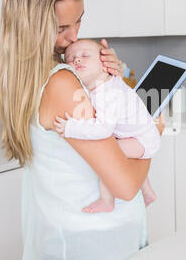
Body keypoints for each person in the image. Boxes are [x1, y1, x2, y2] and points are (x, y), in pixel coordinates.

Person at [0, 0, 165, 260]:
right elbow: (126, 186)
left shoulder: (37, 78)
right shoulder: (62, 84)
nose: (74, 39)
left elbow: (112, 125)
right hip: (95, 254)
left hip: (83, 248)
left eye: (78, 22)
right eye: (61, 29)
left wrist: (114, 80)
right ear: (33, 26)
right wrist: (151, 135)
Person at [53, 38, 161, 213]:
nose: (77, 60)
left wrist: (70, 128)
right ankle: (148, 192)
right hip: (140, 133)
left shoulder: (108, 94)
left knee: (109, 155)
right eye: (71, 59)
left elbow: (102, 130)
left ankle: (106, 200)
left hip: (142, 139)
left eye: (84, 56)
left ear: (105, 64)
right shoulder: (106, 83)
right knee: (118, 152)